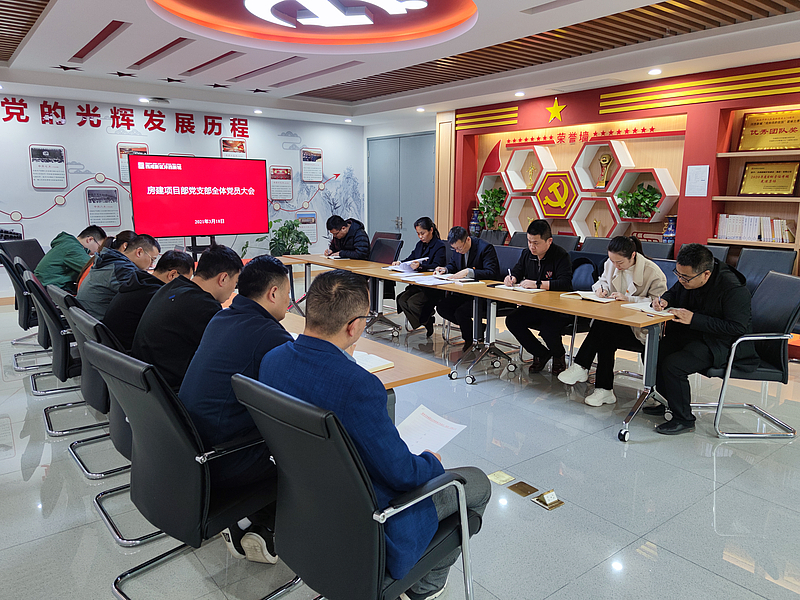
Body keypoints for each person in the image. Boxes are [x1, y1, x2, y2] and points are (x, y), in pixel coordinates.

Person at [259, 270, 490, 600]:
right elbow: (402, 474)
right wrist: (431, 462)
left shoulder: (272, 360)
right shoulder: (358, 386)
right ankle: (425, 586)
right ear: (354, 327)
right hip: (372, 520)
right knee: (476, 483)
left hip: (304, 506)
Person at [179, 255, 293, 564]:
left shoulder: (222, 318)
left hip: (191, 448)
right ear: (272, 293)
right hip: (225, 458)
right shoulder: (269, 334)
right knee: (304, 449)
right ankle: (265, 526)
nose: (290, 301)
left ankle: (245, 521)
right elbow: (297, 394)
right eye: (287, 293)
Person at [644, 243, 757, 435]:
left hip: (722, 344)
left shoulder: (732, 288)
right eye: (678, 274)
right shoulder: (689, 277)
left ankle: (684, 419)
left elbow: (736, 327)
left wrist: (694, 319)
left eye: (685, 277)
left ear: (706, 274)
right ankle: (668, 402)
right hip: (695, 334)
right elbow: (674, 292)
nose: (681, 280)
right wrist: (664, 300)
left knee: (674, 365)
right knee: (652, 353)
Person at [557, 236, 667, 406]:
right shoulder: (611, 263)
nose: (615, 265)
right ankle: (601, 388)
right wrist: (601, 289)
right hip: (616, 323)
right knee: (604, 329)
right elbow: (602, 281)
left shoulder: (652, 272)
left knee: (603, 329)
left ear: (633, 255)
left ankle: (587, 371)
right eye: (612, 261)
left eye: (619, 262)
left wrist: (629, 299)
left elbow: (659, 303)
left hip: (641, 331)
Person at [131, 244, 243, 391]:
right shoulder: (204, 307)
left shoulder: (173, 287)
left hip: (147, 386)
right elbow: (226, 355)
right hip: (171, 391)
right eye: (235, 283)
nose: (234, 288)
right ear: (223, 278)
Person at [504, 220, 573, 376]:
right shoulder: (527, 254)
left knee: (548, 329)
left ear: (549, 241)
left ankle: (558, 355)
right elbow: (517, 270)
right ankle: (541, 353)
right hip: (534, 305)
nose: (531, 246)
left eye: (536, 243)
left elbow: (565, 283)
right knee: (513, 320)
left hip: (557, 308)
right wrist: (512, 278)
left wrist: (538, 284)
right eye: (529, 241)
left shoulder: (561, 255)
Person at [102, 250, 195, 351]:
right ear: (172, 275)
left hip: (113, 349)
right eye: (186, 281)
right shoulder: (156, 296)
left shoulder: (141, 282)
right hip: (129, 353)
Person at [434, 225, 500, 350]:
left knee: (461, 312)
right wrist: (445, 269)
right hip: (464, 292)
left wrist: (469, 272)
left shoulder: (485, 248)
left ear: (468, 239)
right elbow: (453, 265)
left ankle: (470, 340)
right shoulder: (458, 250)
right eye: (454, 249)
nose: (457, 251)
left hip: (482, 295)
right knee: (443, 307)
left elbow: (491, 272)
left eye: (459, 248)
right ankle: (477, 328)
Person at [76, 234, 161, 320]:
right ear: (139, 252)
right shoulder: (122, 270)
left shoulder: (111, 261)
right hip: (99, 322)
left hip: (88, 320)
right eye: (152, 259)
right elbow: (148, 298)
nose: (151, 265)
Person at [394, 217, 447, 336]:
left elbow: (437, 265)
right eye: (418, 234)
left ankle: (425, 319)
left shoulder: (439, 246)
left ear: (431, 230)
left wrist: (420, 266)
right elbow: (411, 258)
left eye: (423, 233)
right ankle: (426, 321)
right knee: (401, 299)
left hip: (431, 287)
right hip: (418, 283)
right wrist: (400, 263)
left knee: (413, 302)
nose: (420, 237)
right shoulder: (419, 245)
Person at [33, 225, 107, 292]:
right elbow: (94, 269)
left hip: (48, 287)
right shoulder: (73, 249)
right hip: (52, 290)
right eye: (99, 247)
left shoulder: (68, 244)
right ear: (90, 239)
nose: (98, 251)